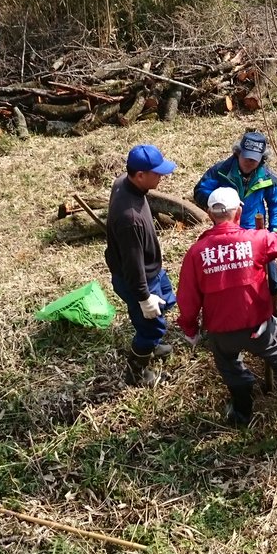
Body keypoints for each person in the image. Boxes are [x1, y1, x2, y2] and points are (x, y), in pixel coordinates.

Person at [176, 187, 277, 426]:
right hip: (258, 326)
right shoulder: (254, 241)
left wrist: (190, 329)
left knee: (229, 367)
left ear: (209, 214)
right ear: (239, 211)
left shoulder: (196, 253)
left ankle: (242, 410)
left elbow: (187, 297)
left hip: (220, 332)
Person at [193, 131, 277, 324]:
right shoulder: (222, 170)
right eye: (245, 157)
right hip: (225, 229)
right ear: (238, 153)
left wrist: (275, 230)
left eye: (254, 160)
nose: (249, 162)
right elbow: (200, 190)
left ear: (262, 159)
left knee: (269, 270)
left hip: (254, 230)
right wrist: (219, 202)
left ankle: (276, 304)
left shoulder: (268, 176)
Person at [105, 144, 178, 387]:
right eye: (157, 173)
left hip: (152, 271)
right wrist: (144, 298)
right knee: (151, 327)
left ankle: (151, 345)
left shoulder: (122, 183)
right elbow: (133, 265)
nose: (162, 177)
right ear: (139, 175)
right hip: (139, 280)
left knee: (167, 300)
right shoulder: (130, 220)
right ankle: (137, 371)